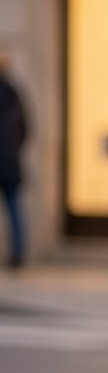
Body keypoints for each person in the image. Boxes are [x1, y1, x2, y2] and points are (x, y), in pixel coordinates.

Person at [0, 55, 29, 269]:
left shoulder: (12, 93)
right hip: (11, 162)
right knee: (14, 209)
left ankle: (18, 253)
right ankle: (18, 254)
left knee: (13, 208)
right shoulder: (14, 93)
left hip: (8, 162)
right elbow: (26, 130)